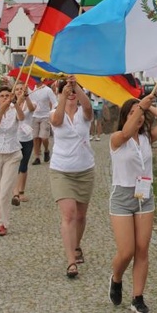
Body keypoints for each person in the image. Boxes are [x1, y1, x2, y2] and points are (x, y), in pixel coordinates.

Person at [108, 94, 157, 313]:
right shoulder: (117, 138)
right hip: (122, 196)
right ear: (125, 116)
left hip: (145, 196)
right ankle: (116, 278)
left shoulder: (147, 138)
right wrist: (140, 107)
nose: (137, 116)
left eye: (140, 113)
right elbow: (127, 132)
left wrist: (150, 107)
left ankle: (137, 298)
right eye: (132, 112)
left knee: (142, 249)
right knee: (126, 251)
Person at [49, 77, 95, 279]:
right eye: (66, 90)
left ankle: (76, 246)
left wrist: (76, 86)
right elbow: (57, 120)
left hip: (84, 170)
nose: (71, 93)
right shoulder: (54, 113)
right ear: (59, 93)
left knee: (80, 216)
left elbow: (88, 107)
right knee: (68, 214)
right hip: (61, 170)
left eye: (75, 90)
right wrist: (63, 95)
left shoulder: (84, 116)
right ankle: (71, 262)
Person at [0, 86, 25, 236]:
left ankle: (3, 223)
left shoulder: (15, 110)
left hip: (13, 153)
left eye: (8, 95)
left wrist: (17, 103)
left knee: (5, 192)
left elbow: (21, 118)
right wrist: (4, 107)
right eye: (2, 96)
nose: (5, 97)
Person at [11, 81, 36, 205]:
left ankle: (21, 191)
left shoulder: (30, 103)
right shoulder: (11, 105)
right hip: (14, 138)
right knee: (14, 165)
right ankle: (15, 192)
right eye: (17, 89)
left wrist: (26, 97)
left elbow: (31, 108)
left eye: (21, 88)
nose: (19, 90)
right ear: (14, 92)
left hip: (27, 138)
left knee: (23, 166)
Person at [29, 80, 57, 165]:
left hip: (45, 116)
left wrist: (53, 113)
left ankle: (46, 150)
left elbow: (55, 102)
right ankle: (37, 157)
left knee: (44, 137)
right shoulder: (31, 89)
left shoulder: (47, 90)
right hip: (34, 116)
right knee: (35, 137)